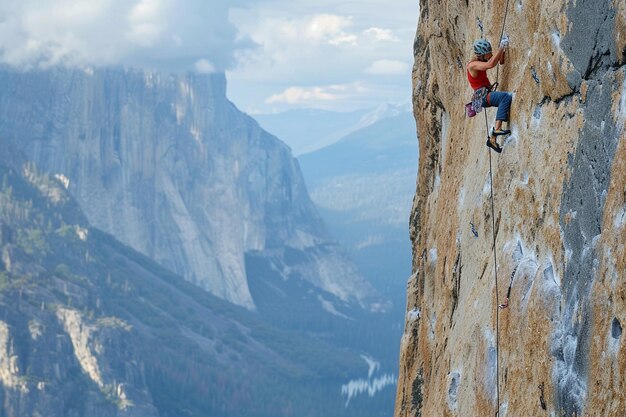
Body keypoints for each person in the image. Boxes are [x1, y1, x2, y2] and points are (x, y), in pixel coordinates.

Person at [467, 39, 512, 153]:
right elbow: (491, 64)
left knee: (503, 102)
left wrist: (502, 51)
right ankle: (496, 130)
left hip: (484, 94)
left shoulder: (483, 60)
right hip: (481, 96)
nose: (491, 54)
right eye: (488, 53)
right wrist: (501, 47)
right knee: (505, 97)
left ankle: (492, 139)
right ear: (481, 55)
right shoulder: (472, 65)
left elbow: (500, 62)